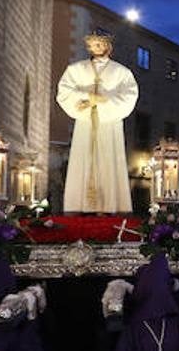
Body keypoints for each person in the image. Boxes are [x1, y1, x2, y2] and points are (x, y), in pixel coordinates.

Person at [55, 29, 139, 213]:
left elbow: (129, 96)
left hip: (109, 124)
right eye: (92, 45)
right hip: (85, 124)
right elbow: (64, 92)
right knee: (82, 158)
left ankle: (109, 206)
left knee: (109, 159)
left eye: (99, 44)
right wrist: (87, 97)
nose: (95, 48)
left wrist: (104, 101)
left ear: (108, 46)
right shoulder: (76, 70)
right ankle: (78, 206)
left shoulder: (121, 72)